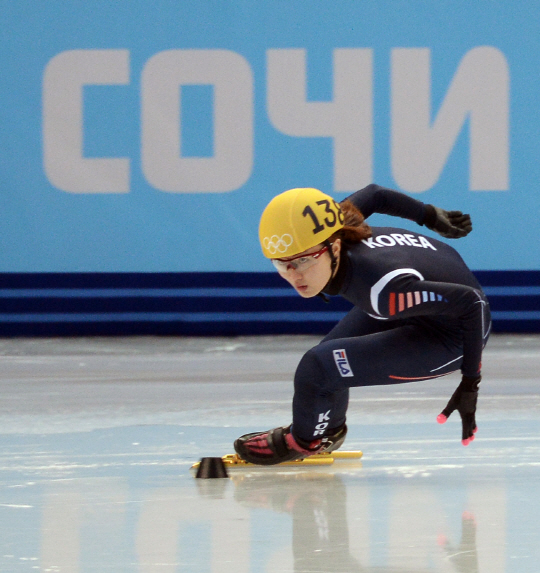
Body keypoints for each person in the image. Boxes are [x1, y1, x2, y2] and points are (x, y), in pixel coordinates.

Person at [234, 184, 491, 465]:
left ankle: (303, 442)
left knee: (319, 367)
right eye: (282, 265)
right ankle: (327, 431)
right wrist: (429, 215)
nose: (294, 276)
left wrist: (470, 384)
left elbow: (473, 304)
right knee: (328, 356)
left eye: (304, 260)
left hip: (456, 336)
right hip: (420, 301)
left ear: (334, 246)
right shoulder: (334, 223)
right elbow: (375, 195)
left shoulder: (383, 292)